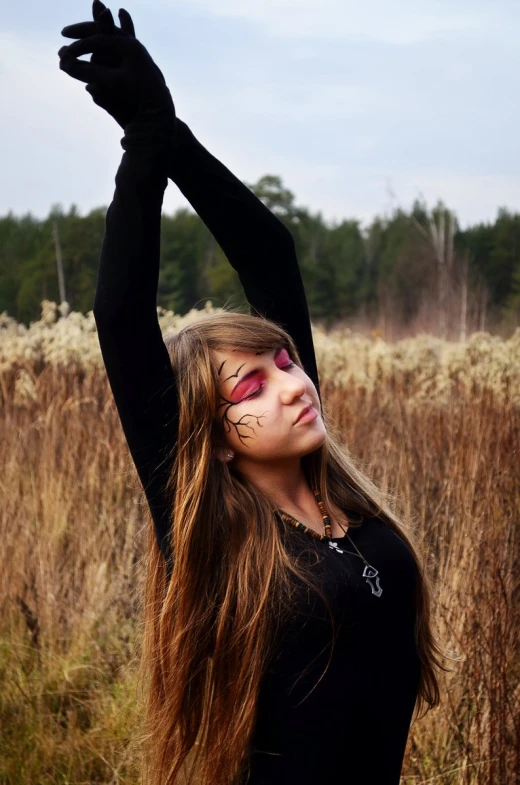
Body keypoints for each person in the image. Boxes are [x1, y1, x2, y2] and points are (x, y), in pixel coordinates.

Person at [58, 5, 447, 784]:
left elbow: (272, 251)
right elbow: (121, 314)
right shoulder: (214, 535)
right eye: (253, 383)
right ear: (216, 429)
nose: (293, 383)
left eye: (286, 361)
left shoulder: (347, 504)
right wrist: (143, 140)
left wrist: (175, 135)